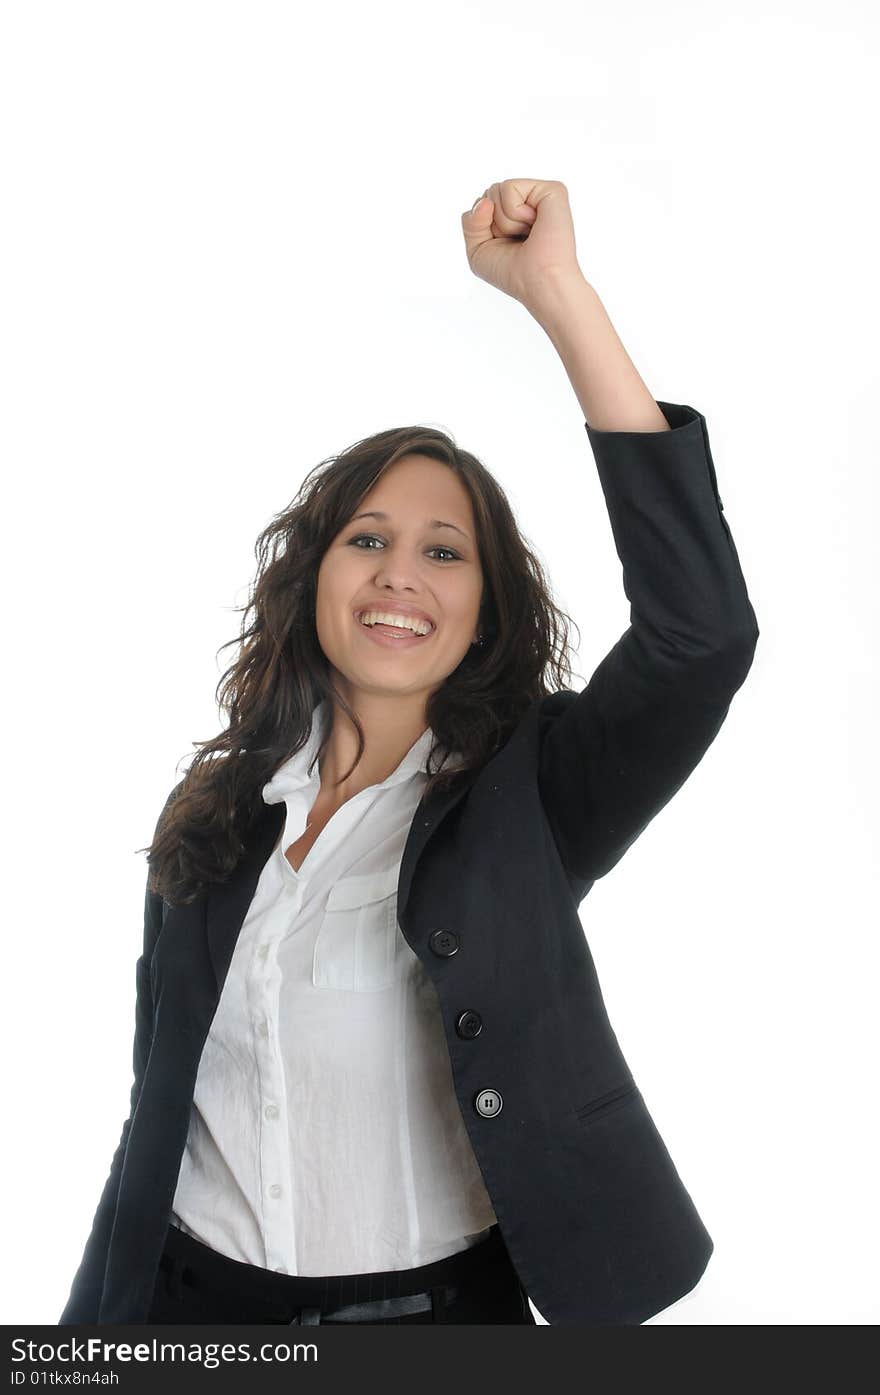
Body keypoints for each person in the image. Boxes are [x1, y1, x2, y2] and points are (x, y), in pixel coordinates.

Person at [59, 178, 759, 1326]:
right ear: (314, 579)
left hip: (430, 1316)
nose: (398, 574)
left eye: (445, 552)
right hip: (187, 1309)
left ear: (485, 610)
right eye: (367, 539)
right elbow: (161, 1110)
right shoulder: (222, 806)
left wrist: (557, 297)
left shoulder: (536, 794)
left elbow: (702, 635)